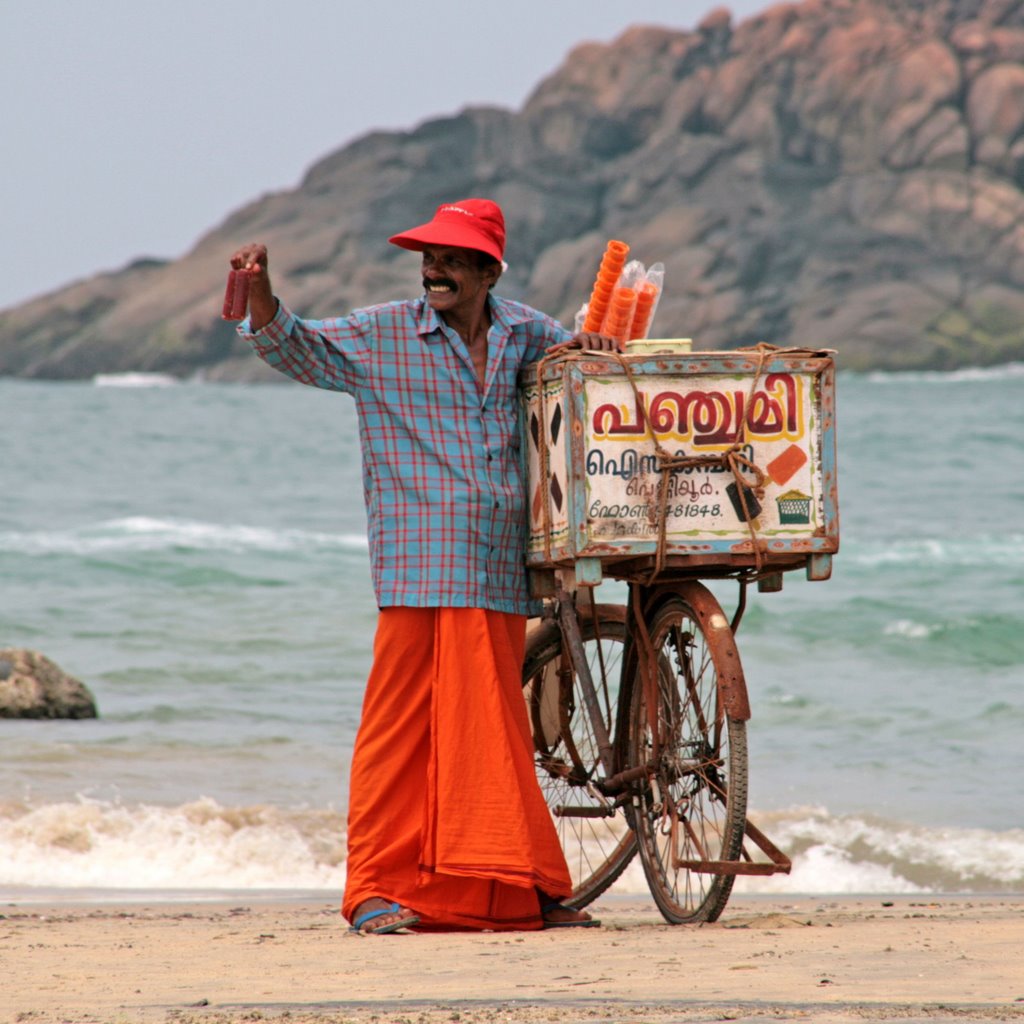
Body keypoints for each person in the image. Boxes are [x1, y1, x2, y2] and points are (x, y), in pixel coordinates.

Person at [230, 198, 615, 934]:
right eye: (430, 259)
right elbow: (292, 345)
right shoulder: (382, 334)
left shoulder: (526, 331)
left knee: (496, 730)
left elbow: (575, 363)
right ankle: (372, 889)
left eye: (452, 259)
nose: (434, 269)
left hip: (500, 566)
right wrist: (260, 294)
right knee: (399, 733)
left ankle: (519, 889)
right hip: (419, 565)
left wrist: (592, 345)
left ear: (486, 270)